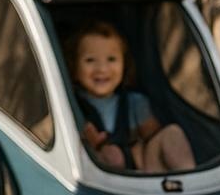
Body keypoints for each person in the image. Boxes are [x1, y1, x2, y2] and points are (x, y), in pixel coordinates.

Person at [64, 20, 195, 174]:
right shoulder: (69, 104)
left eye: (111, 59)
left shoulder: (135, 102)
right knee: (111, 155)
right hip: (99, 175)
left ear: (124, 64)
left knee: (172, 133)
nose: (102, 69)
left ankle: (192, 179)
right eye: (90, 60)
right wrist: (92, 144)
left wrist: (137, 147)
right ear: (74, 67)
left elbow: (152, 138)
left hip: (143, 171)